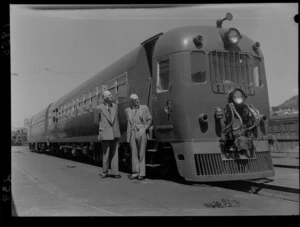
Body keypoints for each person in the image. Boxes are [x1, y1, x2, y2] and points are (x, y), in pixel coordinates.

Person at [125, 94, 152, 180]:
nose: (137, 101)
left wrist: (144, 128)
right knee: (134, 153)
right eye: (135, 100)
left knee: (141, 153)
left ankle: (142, 173)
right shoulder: (127, 110)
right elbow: (128, 124)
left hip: (141, 131)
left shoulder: (144, 108)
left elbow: (149, 119)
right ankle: (135, 172)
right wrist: (128, 137)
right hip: (132, 132)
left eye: (138, 99)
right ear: (131, 101)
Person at [95, 90, 121, 179]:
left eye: (111, 95)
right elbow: (96, 122)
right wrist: (100, 131)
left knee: (115, 153)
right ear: (105, 98)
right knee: (106, 153)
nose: (111, 96)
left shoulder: (115, 106)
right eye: (109, 95)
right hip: (105, 133)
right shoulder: (99, 108)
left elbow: (118, 118)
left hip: (115, 132)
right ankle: (105, 171)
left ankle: (115, 172)